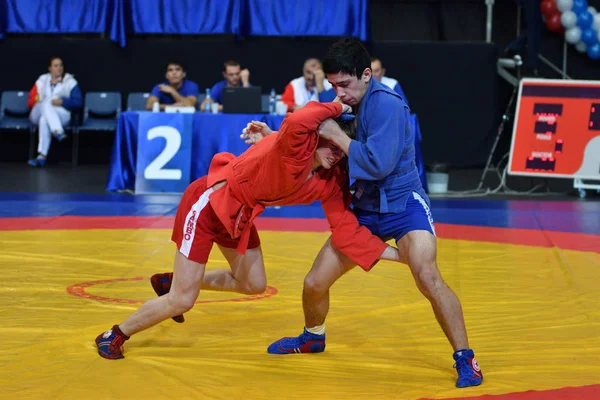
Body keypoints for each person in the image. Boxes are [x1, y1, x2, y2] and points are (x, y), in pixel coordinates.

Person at [95, 101, 403, 359]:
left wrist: (399, 256)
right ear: (320, 135)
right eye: (332, 144)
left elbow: (346, 230)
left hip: (240, 213)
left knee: (253, 283)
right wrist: (344, 105)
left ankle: (173, 281)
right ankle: (115, 334)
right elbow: (300, 119)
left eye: (342, 151)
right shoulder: (295, 146)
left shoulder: (331, 180)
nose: (336, 155)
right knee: (182, 300)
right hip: (209, 203)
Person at [267, 38, 483, 389]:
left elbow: (378, 164)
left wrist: (336, 134)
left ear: (367, 74)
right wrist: (272, 134)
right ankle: (313, 336)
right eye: (333, 85)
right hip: (366, 206)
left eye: (345, 85)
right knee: (314, 282)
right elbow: (305, 134)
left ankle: (466, 358)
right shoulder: (349, 101)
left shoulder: (388, 106)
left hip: (403, 204)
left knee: (427, 276)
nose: (339, 93)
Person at [27, 57, 82, 167]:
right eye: (56, 65)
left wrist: (63, 101)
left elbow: (78, 102)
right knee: (46, 102)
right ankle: (58, 131)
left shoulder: (70, 82)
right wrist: (37, 100)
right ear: (50, 68)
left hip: (61, 115)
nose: (59, 68)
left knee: (44, 120)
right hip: (37, 112)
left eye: (61, 65)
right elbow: (30, 101)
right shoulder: (41, 80)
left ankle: (42, 157)